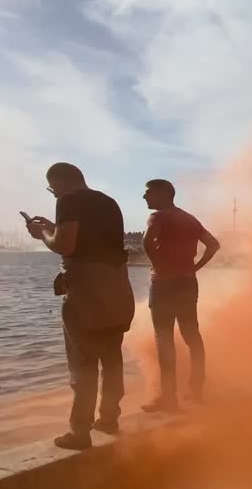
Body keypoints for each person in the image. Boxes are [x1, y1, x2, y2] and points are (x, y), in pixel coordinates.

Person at [28, 163, 134, 450]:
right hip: (118, 288)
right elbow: (91, 240)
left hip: (87, 292)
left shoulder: (68, 200)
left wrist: (42, 236)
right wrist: (52, 227)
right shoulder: (108, 202)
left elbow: (66, 246)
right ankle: (110, 419)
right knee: (112, 359)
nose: (53, 194)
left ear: (60, 181)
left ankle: (80, 432)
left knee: (83, 364)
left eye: (52, 188)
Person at [141, 179, 220, 411]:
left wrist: (159, 266)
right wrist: (194, 268)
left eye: (148, 193)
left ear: (163, 194)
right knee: (192, 335)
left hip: (164, 285)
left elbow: (146, 241)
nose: (144, 197)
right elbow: (214, 244)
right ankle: (196, 389)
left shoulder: (158, 217)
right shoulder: (189, 218)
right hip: (187, 282)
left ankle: (169, 397)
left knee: (163, 338)